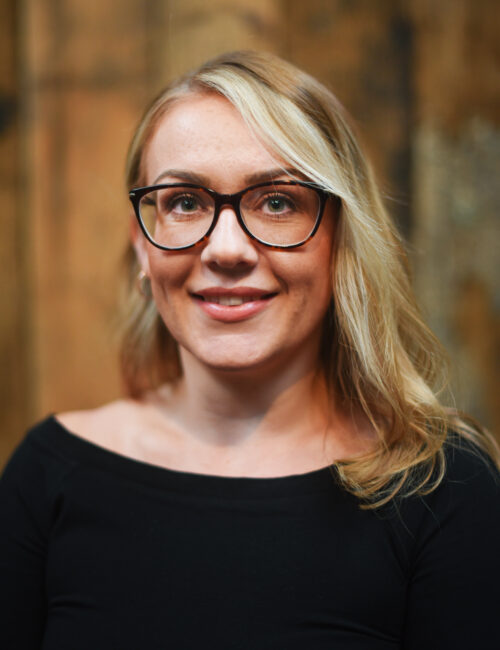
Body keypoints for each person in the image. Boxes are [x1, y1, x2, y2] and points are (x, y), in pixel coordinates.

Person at [1, 51, 499, 649]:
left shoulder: (441, 490)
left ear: (340, 237)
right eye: (185, 202)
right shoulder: (48, 474)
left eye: (277, 201)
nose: (227, 250)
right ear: (142, 243)